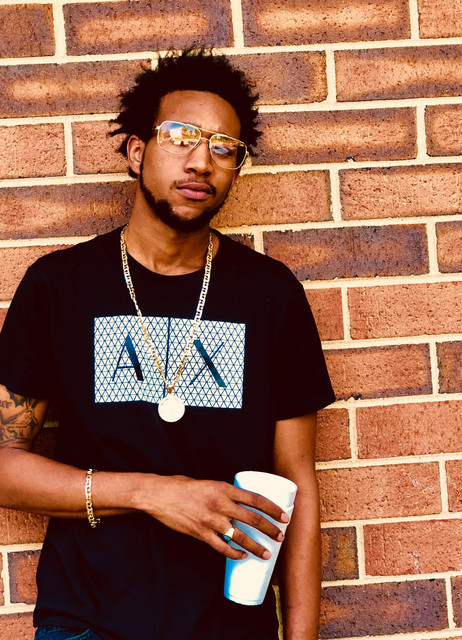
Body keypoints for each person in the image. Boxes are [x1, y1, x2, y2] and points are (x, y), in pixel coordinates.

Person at [0, 48, 335, 640]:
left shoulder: (270, 293)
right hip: (89, 621)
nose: (201, 161)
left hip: (232, 624)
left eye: (224, 148)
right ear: (137, 151)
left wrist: (302, 636)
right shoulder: (60, 285)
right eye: (181, 137)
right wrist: (154, 494)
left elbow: (297, 484)